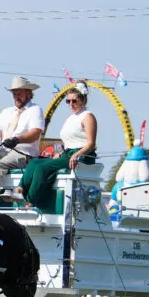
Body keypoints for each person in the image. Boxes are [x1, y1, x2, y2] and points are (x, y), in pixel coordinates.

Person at [15, 83, 97, 213]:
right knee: (35, 161)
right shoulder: (71, 118)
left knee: (43, 168)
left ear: (84, 100)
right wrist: (60, 153)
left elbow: (91, 143)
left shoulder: (88, 116)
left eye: (74, 101)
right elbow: (69, 141)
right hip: (68, 154)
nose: (71, 104)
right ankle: (19, 190)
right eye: (68, 101)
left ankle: (31, 202)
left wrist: (76, 155)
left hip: (81, 156)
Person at [0, 76, 45, 207]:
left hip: (23, 154)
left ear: (29, 93)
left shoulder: (35, 110)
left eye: (19, 93)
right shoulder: (7, 112)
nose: (16, 97)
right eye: (14, 94)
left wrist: (17, 140)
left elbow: (35, 134)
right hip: (4, 150)